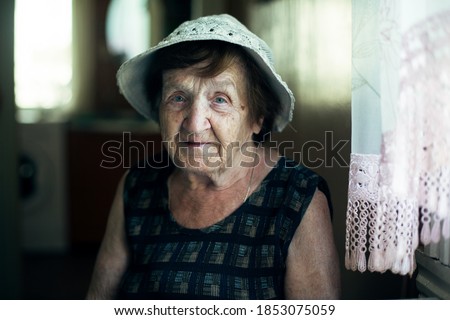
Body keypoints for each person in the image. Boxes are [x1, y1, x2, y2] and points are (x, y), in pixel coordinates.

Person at [87, 14, 340, 299]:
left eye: (220, 99)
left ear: (257, 118)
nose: (194, 123)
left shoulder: (297, 199)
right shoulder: (136, 187)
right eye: (178, 97)